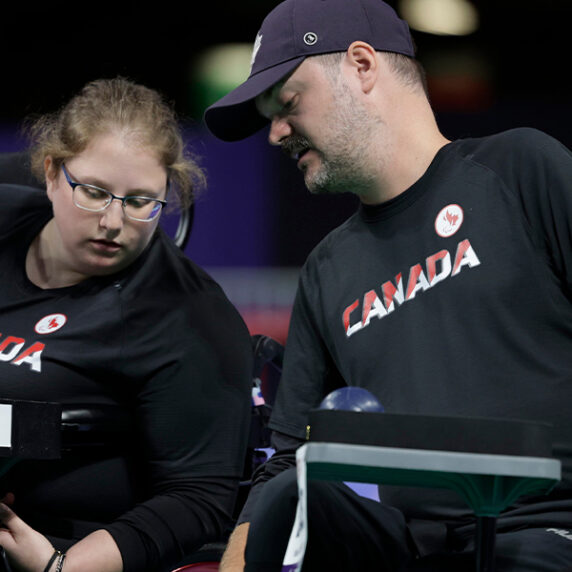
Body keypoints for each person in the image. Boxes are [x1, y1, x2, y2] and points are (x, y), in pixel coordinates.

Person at [203, 0, 572, 570]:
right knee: (287, 495)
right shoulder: (328, 268)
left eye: (288, 103)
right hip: (411, 550)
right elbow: (288, 458)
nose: (275, 133)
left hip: (545, 531)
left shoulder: (521, 170)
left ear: (362, 66)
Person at [0, 77, 254, 572]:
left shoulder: (191, 318)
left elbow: (198, 498)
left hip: (51, 547)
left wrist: (59, 566)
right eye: (93, 192)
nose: (113, 222)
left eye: (141, 202)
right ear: (51, 173)